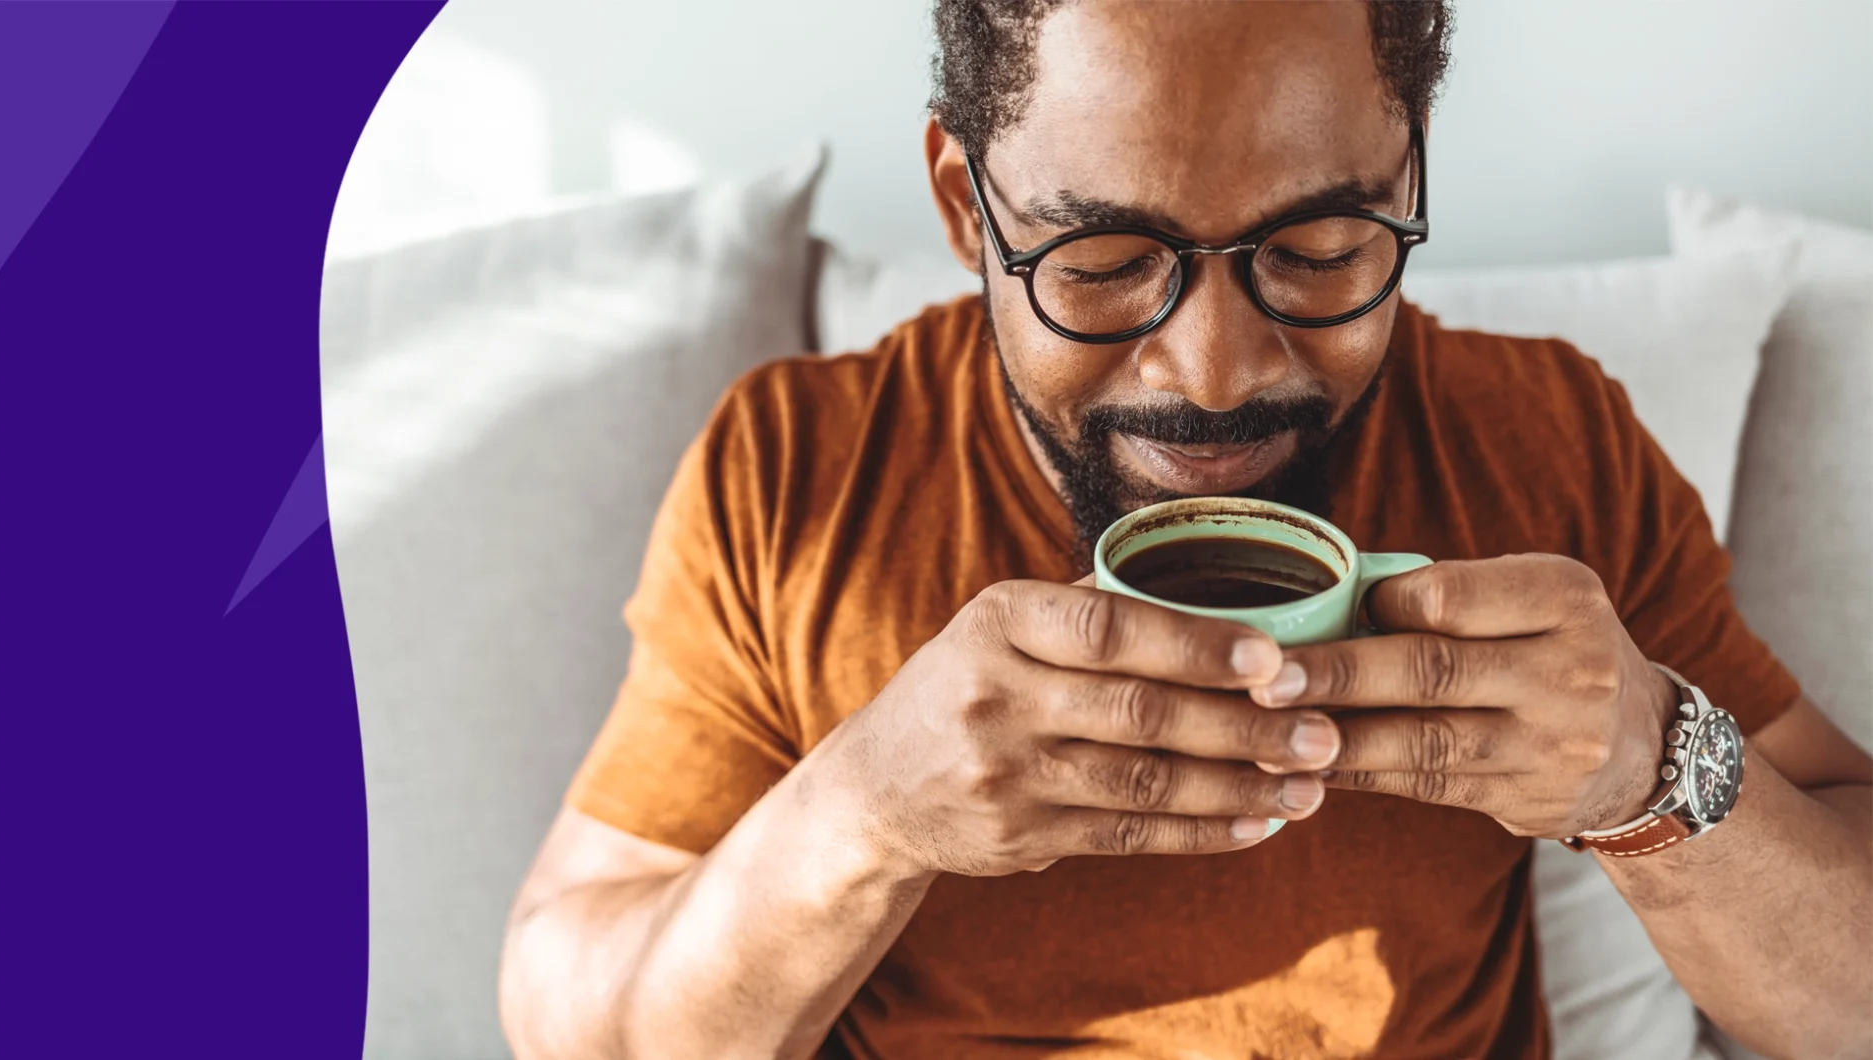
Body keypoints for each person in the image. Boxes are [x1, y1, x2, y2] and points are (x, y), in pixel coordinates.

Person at [499, 3, 1872, 1058]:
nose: (1213, 374)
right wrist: (865, 816)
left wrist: (1647, 771)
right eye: (1102, 265)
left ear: (1408, 176)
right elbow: (575, 1013)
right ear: (965, 208)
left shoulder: (1548, 442)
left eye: (1319, 249)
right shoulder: (800, 475)